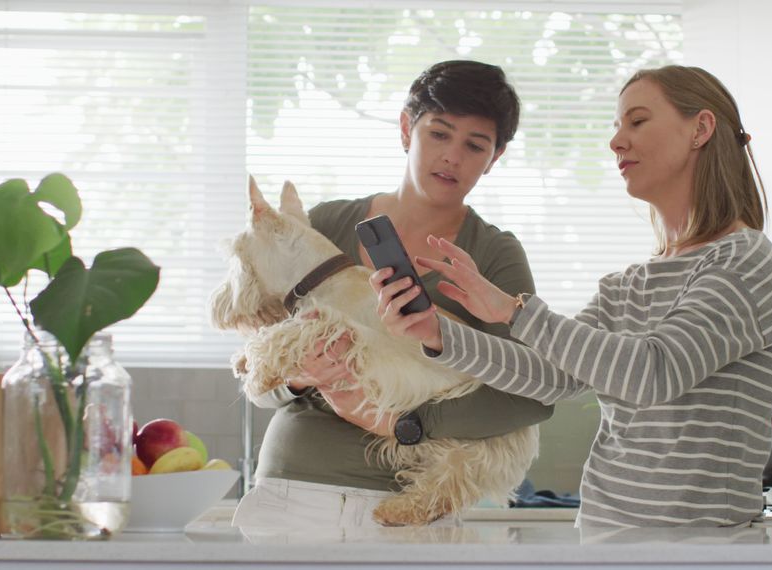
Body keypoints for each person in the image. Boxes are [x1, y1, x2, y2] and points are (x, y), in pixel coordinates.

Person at [360, 65, 772, 527]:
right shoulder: (630, 283)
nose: (616, 142)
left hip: (700, 550)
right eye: (616, 127)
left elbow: (654, 372)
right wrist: (439, 333)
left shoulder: (743, 260)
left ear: (700, 129)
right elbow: (554, 378)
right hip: (606, 540)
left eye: (638, 121)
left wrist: (514, 311)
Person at [232, 60, 553, 529]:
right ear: (407, 129)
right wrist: (301, 376)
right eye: (439, 134)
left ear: (495, 157)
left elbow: (530, 396)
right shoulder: (324, 226)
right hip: (293, 486)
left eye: (475, 145)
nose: (452, 157)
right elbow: (257, 378)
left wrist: (405, 424)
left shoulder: (494, 254)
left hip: (411, 509)